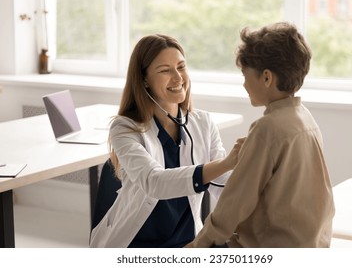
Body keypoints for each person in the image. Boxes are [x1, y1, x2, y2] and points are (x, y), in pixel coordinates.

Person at [187, 22, 335, 248]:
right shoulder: (305, 119)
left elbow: (233, 205)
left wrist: (195, 249)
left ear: (267, 78)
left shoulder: (267, 128)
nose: (244, 84)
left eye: (245, 75)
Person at [89, 34, 244, 248]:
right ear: (144, 79)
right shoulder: (125, 128)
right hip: (137, 243)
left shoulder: (203, 122)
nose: (178, 78)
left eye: (181, 67)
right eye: (165, 70)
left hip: (186, 243)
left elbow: (222, 183)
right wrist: (227, 162)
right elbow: (155, 182)